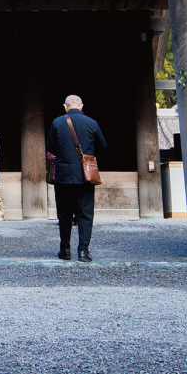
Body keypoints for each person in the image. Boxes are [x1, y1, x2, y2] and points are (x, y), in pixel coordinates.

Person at [46, 94, 107, 262]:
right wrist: (88, 152)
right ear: (81, 106)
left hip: (63, 175)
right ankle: (83, 251)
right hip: (85, 175)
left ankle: (65, 250)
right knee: (85, 213)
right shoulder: (91, 122)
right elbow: (102, 145)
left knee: (64, 214)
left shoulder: (57, 122)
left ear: (65, 107)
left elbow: (50, 147)